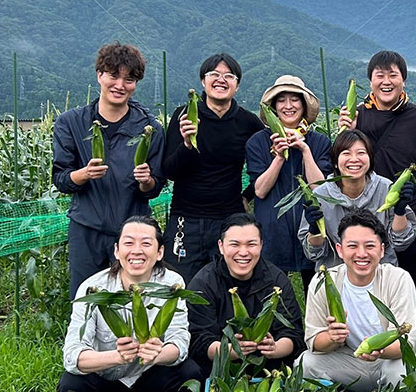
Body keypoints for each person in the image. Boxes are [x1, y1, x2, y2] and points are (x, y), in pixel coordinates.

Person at [57, 216, 199, 392]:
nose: (137, 250)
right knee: (71, 385)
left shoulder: (172, 284)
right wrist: (117, 357)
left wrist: (158, 353)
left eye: (146, 243)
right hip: (107, 381)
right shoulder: (93, 289)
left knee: (189, 374)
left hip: (149, 377)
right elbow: (72, 356)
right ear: (116, 251)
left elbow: (179, 341)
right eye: (129, 243)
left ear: (160, 252)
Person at [53, 42, 166, 297]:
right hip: (86, 228)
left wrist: (147, 181)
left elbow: (156, 187)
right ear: (100, 75)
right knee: (86, 299)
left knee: (132, 300)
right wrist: (83, 174)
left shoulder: (150, 128)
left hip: (132, 232)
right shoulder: (70, 123)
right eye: (114, 76)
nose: (120, 85)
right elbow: (60, 178)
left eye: (129, 79)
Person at [338, 50, 416, 312]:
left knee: (410, 281)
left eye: (392, 75)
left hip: (409, 211)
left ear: (403, 80)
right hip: (368, 213)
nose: (386, 81)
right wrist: (344, 134)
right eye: (379, 75)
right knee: (369, 284)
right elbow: (340, 161)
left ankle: (411, 342)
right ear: (370, 81)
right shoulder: (357, 117)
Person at [299, 209, 416, 392]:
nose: (361, 254)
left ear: (382, 250)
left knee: (400, 371)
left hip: (388, 361)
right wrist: (332, 338)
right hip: (348, 359)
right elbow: (313, 340)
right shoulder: (323, 281)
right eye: (352, 246)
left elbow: (405, 343)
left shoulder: (398, 279)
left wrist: (379, 350)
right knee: (306, 363)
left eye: (369, 246)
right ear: (340, 250)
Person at [163, 53, 263, 284]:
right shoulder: (184, 116)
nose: (221, 80)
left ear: (237, 85)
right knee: (182, 288)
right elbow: (169, 171)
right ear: (203, 81)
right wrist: (187, 144)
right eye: (214, 75)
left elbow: (267, 163)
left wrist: (248, 195)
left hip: (229, 219)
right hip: (185, 220)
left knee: (228, 286)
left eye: (229, 76)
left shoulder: (247, 122)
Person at [187, 213, 305, 381]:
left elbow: (293, 332)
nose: (243, 252)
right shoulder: (203, 283)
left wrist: (275, 348)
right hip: (218, 368)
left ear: (261, 245)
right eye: (234, 244)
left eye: (251, 244)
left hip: (269, 368)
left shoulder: (277, 280)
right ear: (221, 246)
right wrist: (232, 350)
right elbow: (199, 340)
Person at [246, 76, 332, 293]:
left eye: (295, 100)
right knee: (273, 298)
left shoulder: (319, 142)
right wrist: (279, 156)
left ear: (303, 106)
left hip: (313, 231)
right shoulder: (257, 142)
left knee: (319, 297)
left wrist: (305, 151)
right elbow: (260, 190)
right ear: (274, 107)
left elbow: (320, 189)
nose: (288, 106)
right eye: (281, 100)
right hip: (273, 233)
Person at [297, 129, 416, 270]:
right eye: (346, 153)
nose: (354, 159)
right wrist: (315, 229)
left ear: (370, 159)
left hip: (380, 273)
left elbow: (401, 242)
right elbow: (314, 254)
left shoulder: (386, 189)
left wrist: (400, 211)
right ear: (335, 162)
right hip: (335, 274)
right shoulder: (320, 196)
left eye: (361, 153)